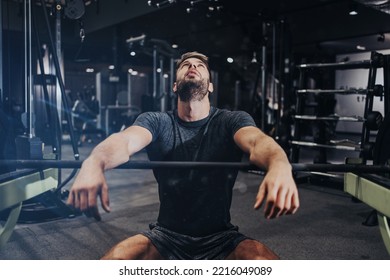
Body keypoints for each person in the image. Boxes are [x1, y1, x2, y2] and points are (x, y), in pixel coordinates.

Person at [66, 51, 299, 260]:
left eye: (200, 65)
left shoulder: (231, 120)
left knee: (264, 263)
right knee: (113, 262)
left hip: (221, 238)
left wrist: (279, 164)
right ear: (175, 86)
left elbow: (258, 141)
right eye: (186, 64)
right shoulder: (157, 121)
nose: (193, 67)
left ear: (210, 87)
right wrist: (94, 162)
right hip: (166, 237)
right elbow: (125, 141)